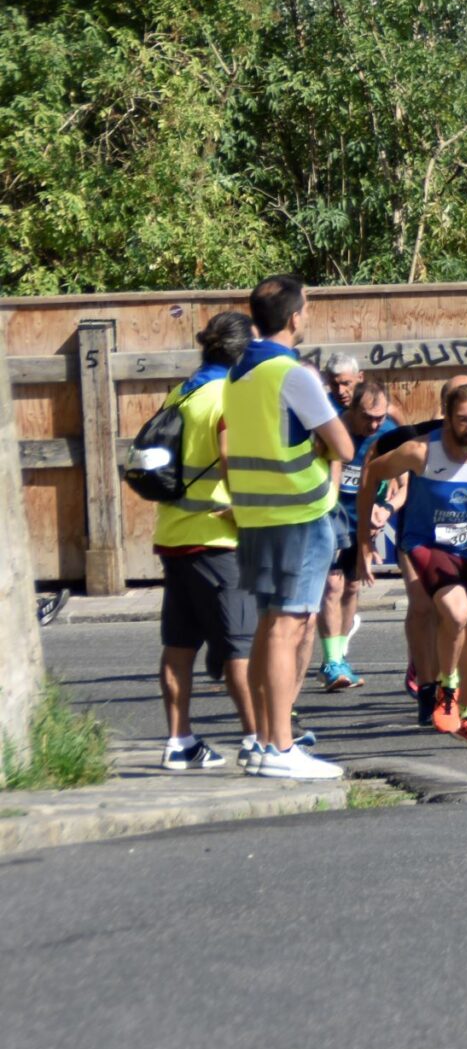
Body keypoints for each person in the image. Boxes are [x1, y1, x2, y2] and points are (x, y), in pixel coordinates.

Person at [356, 382, 467, 747]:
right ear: (447, 417)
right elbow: (372, 473)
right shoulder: (421, 450)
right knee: (455, 611)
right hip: (425, 543)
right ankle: (446, 688)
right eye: (463, 419)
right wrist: (364, 540)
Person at [228, 276, 356, 780]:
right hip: (299, 511)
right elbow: (343, 446)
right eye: (306, 307)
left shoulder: (240, 371)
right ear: (294, 317)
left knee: (270, 625)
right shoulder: (293, 374)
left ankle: (265, 741)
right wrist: (322, 446)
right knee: (288, 627)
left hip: (256, 513)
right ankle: (281, 747)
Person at [150, 311, 258, 771]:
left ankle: (180, 742)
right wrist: (247, 510)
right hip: (218, 538)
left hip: (174, 534)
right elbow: (230, 456)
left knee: (179, 644)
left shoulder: (183, 391)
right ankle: (259, 741)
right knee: (240, 644)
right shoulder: (229, 395)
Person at [316, 378, 397, 692]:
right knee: (332, 587)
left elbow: (400, 483)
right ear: (352, 409)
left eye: (380, 417)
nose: (374, 424)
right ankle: (331, 661)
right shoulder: (334, 428)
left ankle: (339, 657)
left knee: (351, 587)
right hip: (332, 518)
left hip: (362, 522)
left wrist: (385, 507)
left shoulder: (387, 433)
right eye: (367, 417)